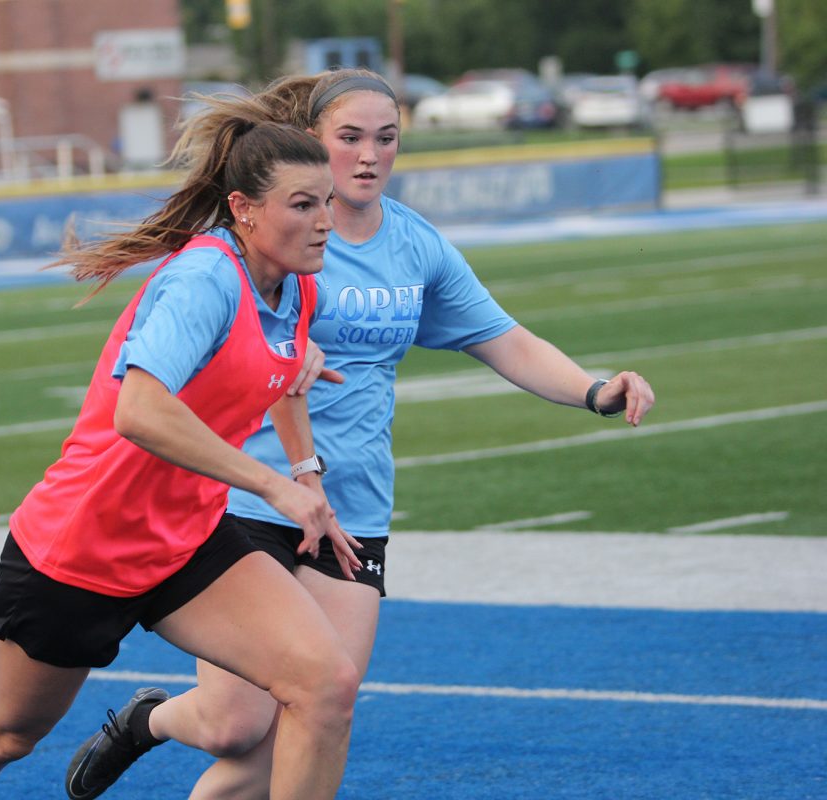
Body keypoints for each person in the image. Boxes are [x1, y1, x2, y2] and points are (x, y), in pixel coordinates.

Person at [66, 69, 656, 800]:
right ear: (311, 144)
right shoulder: (263, 241)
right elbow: (241, 358)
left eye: (387, 139)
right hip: (250, 502)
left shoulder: (415, 245)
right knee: (232, 727)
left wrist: (597, 390)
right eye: (350, 138)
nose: (370, 155)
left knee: (303, 724)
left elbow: (502, 338)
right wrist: (296, 456)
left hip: (355, 511)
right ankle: (148, 722)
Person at [0, 119, 372, 800]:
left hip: (187, 538)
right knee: (7, 734)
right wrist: (274, 487)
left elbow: (279, 372)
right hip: (84, 545)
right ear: (245, 211)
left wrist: (308, 470)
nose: (324, 222)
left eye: (327, 203)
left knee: (325, 684)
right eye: (303, 205)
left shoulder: (299, 285)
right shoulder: (202, 280)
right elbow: (140, 410)